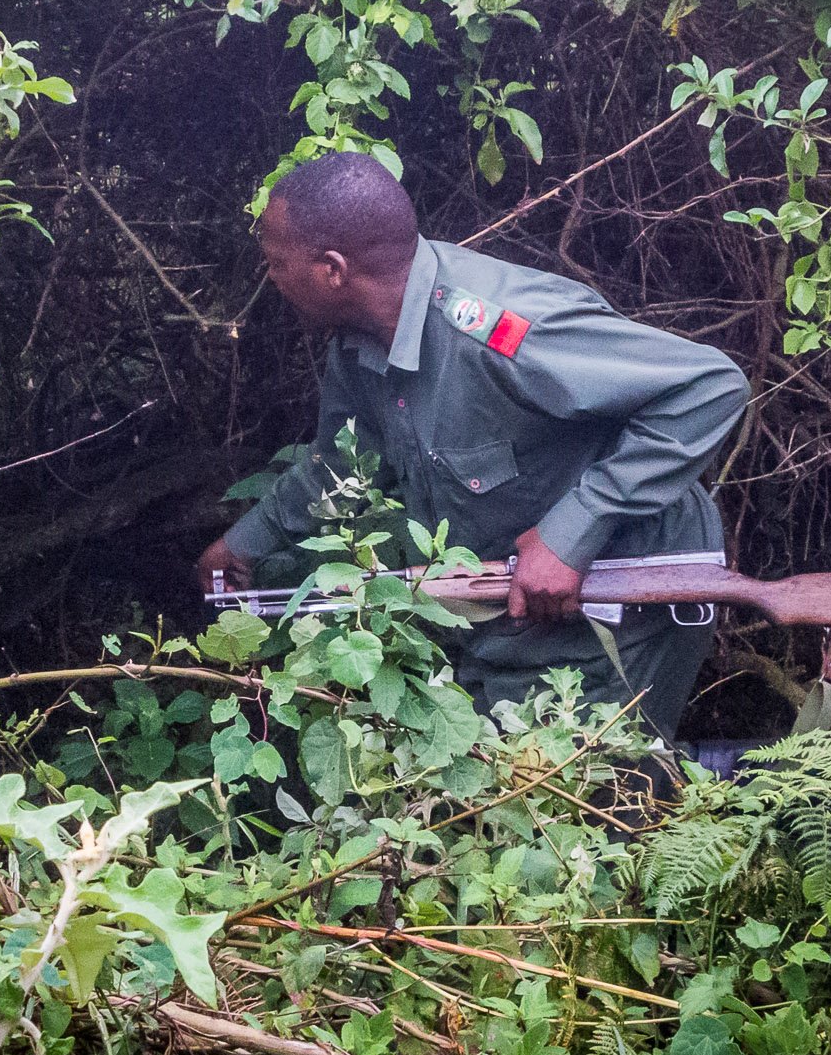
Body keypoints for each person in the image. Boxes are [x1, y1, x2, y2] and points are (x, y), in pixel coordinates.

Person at [196, 151, 751, 744]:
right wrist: (245, 543)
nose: (270, 278)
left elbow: (709, 387)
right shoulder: (357, 347)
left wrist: (576, 527)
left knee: (589, 805)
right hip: (508, 612)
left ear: (333, 269)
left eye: (277, 263)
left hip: (630, 592)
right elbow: (344, 466)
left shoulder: (502, 331)